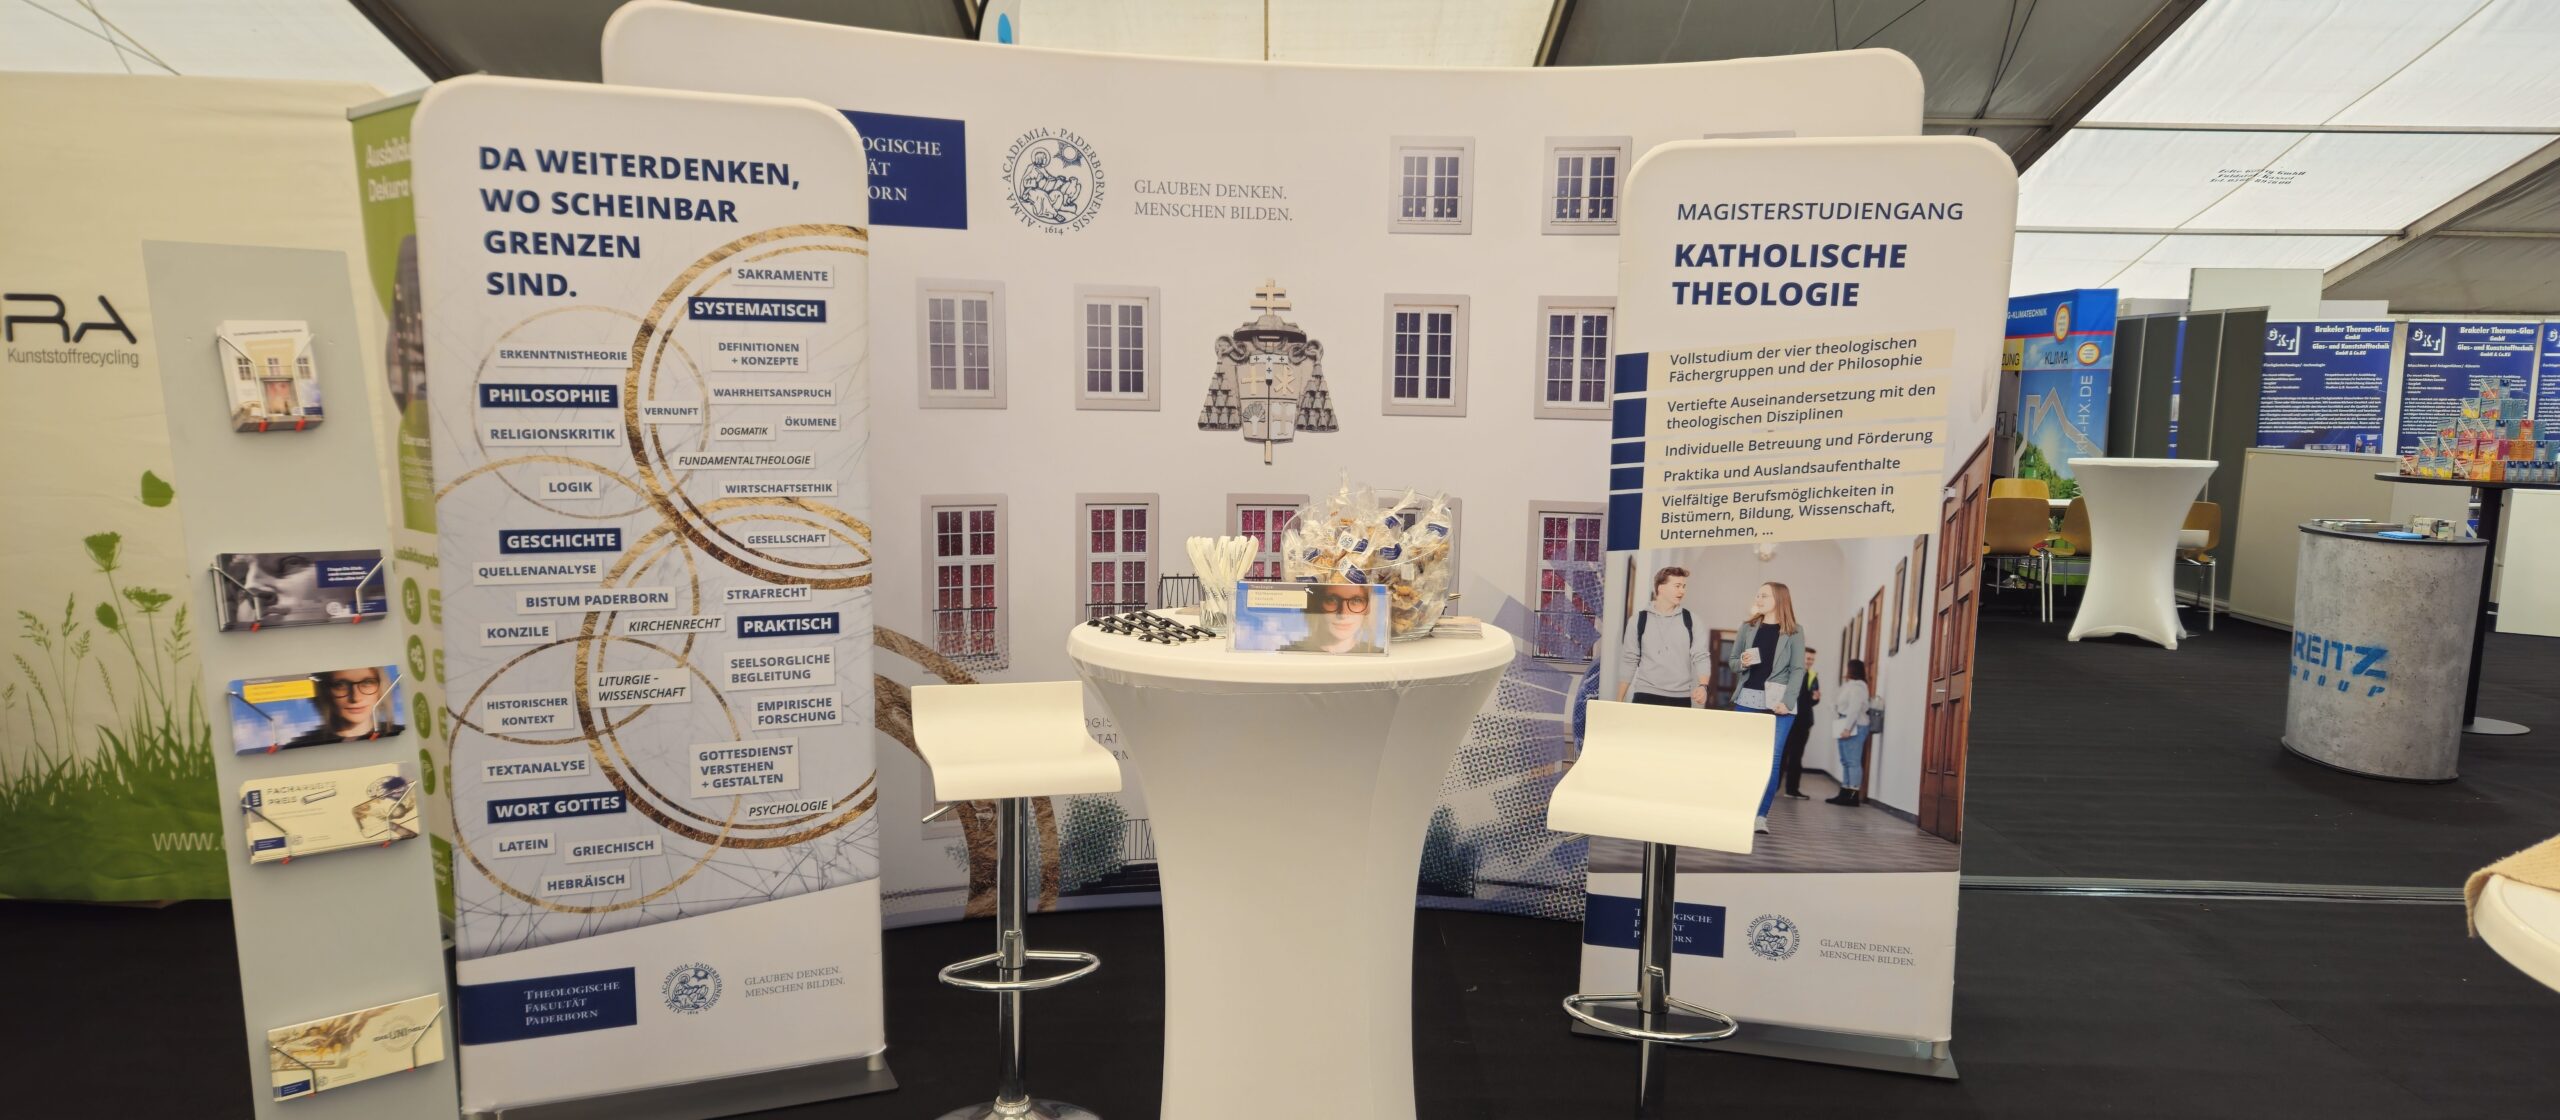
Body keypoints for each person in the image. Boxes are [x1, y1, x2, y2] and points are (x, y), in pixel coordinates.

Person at [1725, 582, 1805, 834]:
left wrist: (1788, 702)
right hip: (1747, 699)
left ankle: (1760, 816)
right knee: (1743, 757)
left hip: (1779, 703)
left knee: (1772, 761)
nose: (1758, 598)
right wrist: (1743, 662)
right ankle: (1740, 811)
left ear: (1779, 599)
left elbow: (1798, 669)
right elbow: (1733, 662)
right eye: (1757, 594)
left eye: (1764, 595)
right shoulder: (1747, 627)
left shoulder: (1795, 631)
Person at [1614, 566, 1710, 708]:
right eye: (1677, 586)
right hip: (1645, 695)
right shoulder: (1638, 620)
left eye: (1684, 586)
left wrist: (1703, 686)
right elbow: (1629, 659)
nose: (1682, 591)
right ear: (1661, 588)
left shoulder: (1692, 620)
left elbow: (1701, 656)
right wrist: (1619, 700)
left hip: (1680, 698)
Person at [283, 666, 403, 748]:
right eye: (341, 685)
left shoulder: (402, 735)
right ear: (324, 691)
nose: (355, 698)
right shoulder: (298, 747)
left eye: (367, 683)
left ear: (381, 688)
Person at [1282, 585, 1383, 653]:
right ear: (1316, 604)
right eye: (1332, 600)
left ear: (1368, 608)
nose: (1343, 614)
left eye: (1356, 601)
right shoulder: (1288, 654)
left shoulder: (1378, 656)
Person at [1827, 659, 1874, 807]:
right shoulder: (1849, 685)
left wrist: (1847, 728)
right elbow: (1836, 702)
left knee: (1853, 762)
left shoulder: (1859, 687)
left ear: (1852, 669)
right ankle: (1844, 792)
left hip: (1855, 726)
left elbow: (1854, 709)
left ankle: (1853, 796)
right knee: (1845, 761)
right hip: (1845, 724)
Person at [1779, 646, 1821, 800]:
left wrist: (1815, 699)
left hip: (1803, 722)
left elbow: (1810, 701)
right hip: (1788, 719)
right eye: (1808, 658)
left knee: (1796, 757)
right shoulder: (1789, 673)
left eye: (1812, 659)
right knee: (1781, 755)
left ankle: (1792, 790)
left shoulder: (1812, 675)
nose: (1810, 662)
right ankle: (1773, 787)